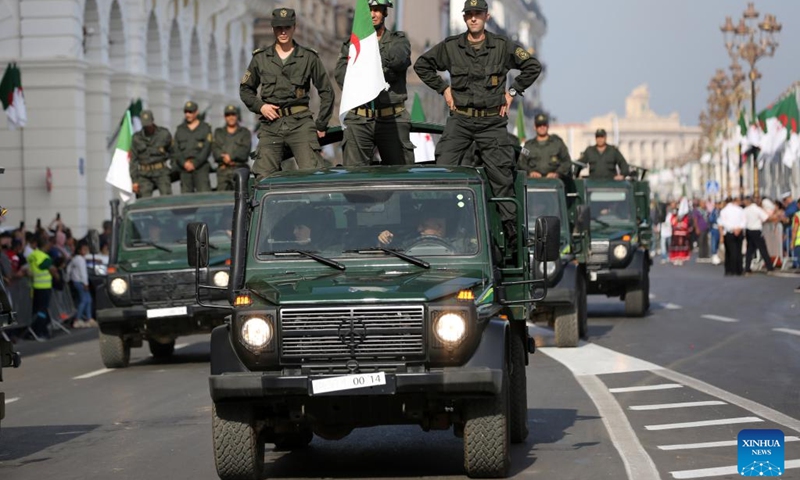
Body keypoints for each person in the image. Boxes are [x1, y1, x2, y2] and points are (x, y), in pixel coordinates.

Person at [413, 0, 542, 244]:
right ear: (464, 18)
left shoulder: (502, 46)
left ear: (487, 16)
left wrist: (512, 92)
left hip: (491, 122)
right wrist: (444, 89)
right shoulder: (451, 47)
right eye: (469, 14)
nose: (473, 18)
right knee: (442, 171)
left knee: (501, 177)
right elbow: (422, 64)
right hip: (460, 120)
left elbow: (532, 67)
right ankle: (434, 229)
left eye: (478, 14)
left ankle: (511, 238)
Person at [240, 8, 334, 179]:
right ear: (273, 28)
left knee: (313, 174)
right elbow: (245, 89)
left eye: (287, 27)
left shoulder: (308, 57)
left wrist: (321, 124)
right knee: (263, 177)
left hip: (300, 124)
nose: (283, 32)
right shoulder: (260, 58)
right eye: (278, 28)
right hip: (271, 126)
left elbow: (327, 91)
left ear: (294, 27)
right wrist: (261, 107)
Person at [335, 0, 414, 166]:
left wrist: (365, 68)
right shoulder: (352, 44)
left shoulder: (398, 41)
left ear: (385, 12)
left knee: (399, 176)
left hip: (391, 117)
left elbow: (398, 60)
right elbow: (342, 75)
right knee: (354, 177)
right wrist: (374, 74)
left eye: (377, 10)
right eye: (369, 10)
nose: (372, 15)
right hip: (360, 118)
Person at [131, 110, 173, 198]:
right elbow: (133, 160)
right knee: (144, 201)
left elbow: (173, 152)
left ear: (153, 120)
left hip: (161, 172)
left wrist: (173, 168)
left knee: (167, 198)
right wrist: (134, 180)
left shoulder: (164, 134)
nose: (147, 127)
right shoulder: (136, 138)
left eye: (149, 125)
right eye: (145, 125)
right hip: (144, 174)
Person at [173, 101, 213, 193]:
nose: (188, 114)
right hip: (184, 168)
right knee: (186, 198)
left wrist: (195, 163)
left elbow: (206, 149)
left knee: (204, 195)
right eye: (186, 112)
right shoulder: (180, 129)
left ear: (196, 112)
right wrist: (184, 163)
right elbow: (176, 149)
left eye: (190, 112)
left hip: (201, 167)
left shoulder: (205, 128)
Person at [212, 105, 252, 191]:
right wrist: (223, 158)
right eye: (228, 115)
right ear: (224, 117)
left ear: (237, 116)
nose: (231, 117)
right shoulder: (218, 132)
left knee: (241, 197)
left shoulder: (245, 132)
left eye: (233, 114)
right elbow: (215, 150)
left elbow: (244, 151)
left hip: (239, 169)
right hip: (223, 170)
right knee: (221, 198)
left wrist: (230, 157)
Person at [519, 113, 571, 179]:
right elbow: (521, 163)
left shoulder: (558, 144)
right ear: (534, 127)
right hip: (533, 183)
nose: (542, 127)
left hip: (555, 183)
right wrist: (530, 172)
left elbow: (566, 162)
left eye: (544, 125)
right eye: (539, 125)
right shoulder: (528, 146)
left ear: (548, 126)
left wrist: (557, 173)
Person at [26, 234, 58, 340]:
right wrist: (56, 275)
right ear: (45, 245)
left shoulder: (32, 255)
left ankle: (34, 331)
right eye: (49, 243)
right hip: (44, 286)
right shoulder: (44, 257)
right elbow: (50, 268)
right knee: (42, 311)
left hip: (34, 286)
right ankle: (40, 332)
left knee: (36, 310)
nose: (50, 245)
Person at [67, 241, 95, 328]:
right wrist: (86, 283)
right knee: (84, 300)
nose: (86, 251)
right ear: (79, 250)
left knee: (88, 300)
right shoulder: (81, 260)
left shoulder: (75, 259)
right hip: (81, 282)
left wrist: (69, 278)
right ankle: (77, 319)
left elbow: (68, 269)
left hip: (76, 281)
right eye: (84, 249)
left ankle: (89, 318)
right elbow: (83, 273)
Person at [743, 195, 775, 273]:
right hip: (756, 230)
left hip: (748, 230)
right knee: (762, 249)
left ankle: (747, 267)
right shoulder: (757, 209)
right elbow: (765, 218)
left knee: (749, 250)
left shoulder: (745, 210)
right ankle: (769, 267)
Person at [718, 197, 746, 276]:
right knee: (738, 251)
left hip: (729, 232)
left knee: (729, 251)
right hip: (739, 231)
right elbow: (744, 221)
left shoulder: (724, 211)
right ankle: (739, 269)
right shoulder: (740, 210)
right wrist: (739, 228)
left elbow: (723, 222)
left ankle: (729, 270)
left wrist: (732, 229)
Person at [669, 199, 691, 265]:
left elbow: (686, 223)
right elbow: (672, 222)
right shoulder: (674, 213)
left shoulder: (684, 215)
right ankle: (676, 258)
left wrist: (681, 224)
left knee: (681, 245)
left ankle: (681, 258)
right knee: (676, 246)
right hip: (676, 232)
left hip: (682, 232)